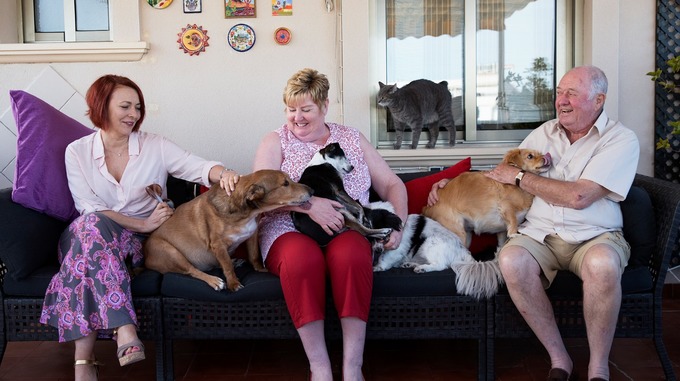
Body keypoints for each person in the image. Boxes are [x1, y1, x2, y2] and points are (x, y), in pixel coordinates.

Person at [39, 74, 240, 381]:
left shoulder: (154, 146)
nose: (133, 114)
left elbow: (196, 166)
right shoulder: (76, 151)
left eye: (137, 107)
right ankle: (124, 326)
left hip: (135, 245)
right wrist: (143, 222)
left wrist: (223, 173)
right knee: (90, 226)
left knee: (82, 260)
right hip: (91, 234)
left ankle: (83, 363)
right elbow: (88, 207)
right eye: (125, 106)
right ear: (101, 106)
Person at [483, 65, 639, 381]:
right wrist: (448, 185)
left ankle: (598, 367)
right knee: (511, 259)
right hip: (541, 234)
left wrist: (521, 177)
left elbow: (580, 197)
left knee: (603, 265)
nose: (561, 101)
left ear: (598, 100)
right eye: (559, 92)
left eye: (572, 93)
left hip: (595, 235)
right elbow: (504, 176)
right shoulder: (542, 134)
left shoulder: (620, 139)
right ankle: (559, 359)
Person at [253, 68, 408, 381]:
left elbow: (392, 184)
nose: (297, 117)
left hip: (347, 226)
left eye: (306, 109)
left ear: (324, 107)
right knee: (301, 261)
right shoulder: (275, 141)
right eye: (291, 109)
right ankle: (320, 368)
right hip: (287, 229)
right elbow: (260, 196)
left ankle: (352, 367)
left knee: (352, 255)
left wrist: (399, 224)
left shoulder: (350, 138)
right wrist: (309, 206)